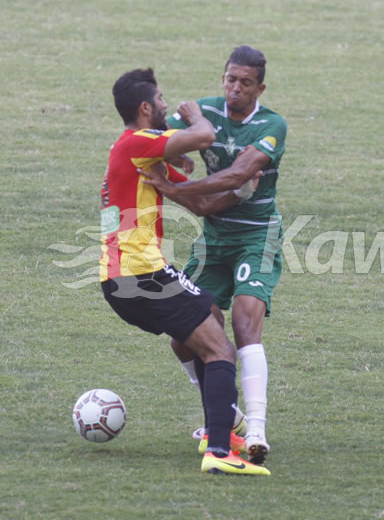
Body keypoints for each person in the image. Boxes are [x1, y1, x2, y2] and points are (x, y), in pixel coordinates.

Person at [100, 68, 269, 475]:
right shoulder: (137, 143)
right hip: (141, 274)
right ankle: (219, 450)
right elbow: (205, 136)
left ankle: (222, 431)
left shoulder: (134, 155)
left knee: (206, 323)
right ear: (145, 108)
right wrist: (194, 114)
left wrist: (242, 190)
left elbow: (200, 203)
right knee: (220, 350)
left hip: (122, 278)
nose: (165, 105)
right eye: (160, 99)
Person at [139, 45, 287, 465]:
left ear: (260, 87)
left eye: (245, 83)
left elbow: (240, 174)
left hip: (257, 235)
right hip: (213, 239)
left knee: (243, 325)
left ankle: (256, 429)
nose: (235, 89)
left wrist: (175, 190)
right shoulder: (204, 113)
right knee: (184, 339)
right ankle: (227, 415)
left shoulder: (272, 124)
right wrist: (175, 150)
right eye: (229, 80)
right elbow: (151, 136)